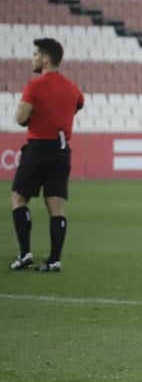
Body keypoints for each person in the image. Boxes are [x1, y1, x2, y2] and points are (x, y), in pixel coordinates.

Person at [10, 38, 85, 273]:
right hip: (61, 150)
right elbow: (78, 104)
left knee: (19, 198)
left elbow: (21, 118)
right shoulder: (72, 87)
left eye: (35, 54)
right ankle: (54, 260)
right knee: (56, 206)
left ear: (46, 58)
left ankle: (25, 254)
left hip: (39, 148)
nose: (32, 58)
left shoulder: (34, 86)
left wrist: (36, 116)